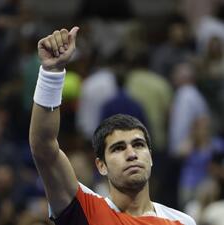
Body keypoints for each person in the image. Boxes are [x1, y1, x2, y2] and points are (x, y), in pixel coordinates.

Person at [29, 27, 196, 225]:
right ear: (101, 165)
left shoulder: (183, 222)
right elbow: (43, 146)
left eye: (139, 145)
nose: (132, 154)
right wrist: (51, 71)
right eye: (118, 148)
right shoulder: (86, 209)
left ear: (151, 157)